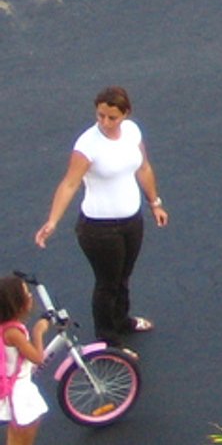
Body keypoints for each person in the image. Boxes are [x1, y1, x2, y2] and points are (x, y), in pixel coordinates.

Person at [35, 88, 168, 345]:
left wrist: (155, 203)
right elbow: (70, 184)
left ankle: (122, 320)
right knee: (107, 283)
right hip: (99, 230)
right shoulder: (87, 146)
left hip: (132, 221)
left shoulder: (132, 132)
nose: (105, 123)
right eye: (100, 116)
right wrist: (52, 221)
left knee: (123, 277)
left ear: (125, 114)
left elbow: (143, 167)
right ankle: (108, 338)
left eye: (112, 117)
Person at [0, 274, 52, 445]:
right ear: (17, 303)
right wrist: (39, 331)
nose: (30, 297)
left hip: (22, 386)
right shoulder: (13, 333)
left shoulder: (9, 327)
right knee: (15, 436)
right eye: (26, 294)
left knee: (35, 417)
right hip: (17, 391)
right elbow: (37, 357)